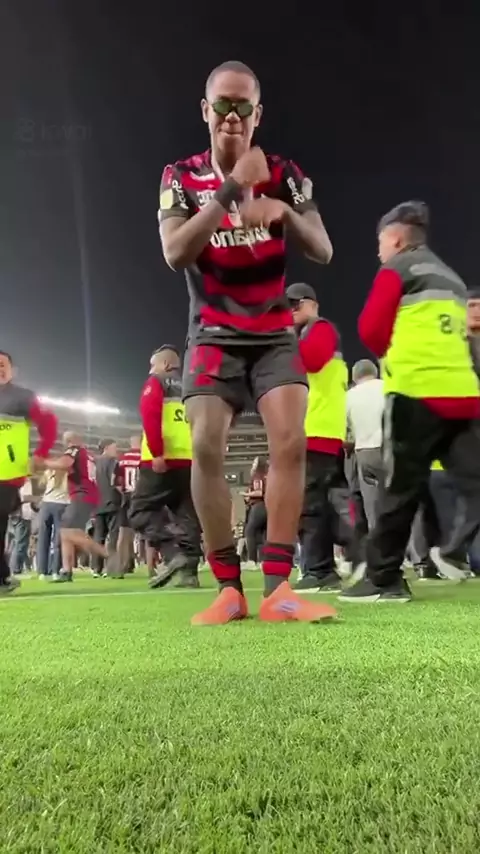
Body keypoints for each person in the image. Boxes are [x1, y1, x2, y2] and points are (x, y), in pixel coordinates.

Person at [158, 60, 336, 625]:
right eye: (222, 105)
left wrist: (282, 210)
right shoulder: (180, 176)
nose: (231, 117)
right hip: (213, 332)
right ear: (205, 110)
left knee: (290, 442)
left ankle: (279, 589)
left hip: (272, 332)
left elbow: (322, 249)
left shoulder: (284, 173)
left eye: (242, 107)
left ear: (258, 114)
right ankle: (228, 589)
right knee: (206, 447)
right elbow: (175, 252)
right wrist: (233, 186)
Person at [341, 200, 480, 603]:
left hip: (416, 395)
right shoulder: (452, 278)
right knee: (475, 483)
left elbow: (371, 330)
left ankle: (383, 579)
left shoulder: (398, 269)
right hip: (464, 396)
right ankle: (452, 549)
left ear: (397, 240)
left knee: (399, 493)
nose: (379, 252)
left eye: (380, 243)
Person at [286, 282, 360, 592]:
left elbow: (312, 360)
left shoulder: (320, 328)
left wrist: (285, 340)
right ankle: (345, 560)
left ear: (311, 304)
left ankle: (319, 569)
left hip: (317, 430)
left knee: (312, 506)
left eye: (295, 304)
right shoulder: (309, 332)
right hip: (320, 431)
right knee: (328, 505)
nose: (289, 311)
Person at [129, 346, 202, 589]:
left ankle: (172, 553)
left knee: (140, 511)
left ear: (165, 365)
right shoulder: (192, 386)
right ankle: (190, 573)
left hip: (162, 460)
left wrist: (157, 452)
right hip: (189, 459)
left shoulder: (157, 382)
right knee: (187, 516)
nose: (151, 370)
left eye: (153, 365)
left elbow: (150, 413)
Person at [0, 351, 57, 593]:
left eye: (2, 364)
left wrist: (41, 452)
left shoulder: (23, 397)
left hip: (6, 474)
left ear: (12, 370)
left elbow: (48, 423)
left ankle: (2, 577)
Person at [41, 431, 111, 582]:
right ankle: (67, 571)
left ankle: (108, 554)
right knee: (65, 532)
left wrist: (44, 462)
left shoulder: (75, 449)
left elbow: (65, 463)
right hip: (87, 494)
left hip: (82, 494)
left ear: (69, 441)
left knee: (70, 532)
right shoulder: (88, 454)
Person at [346, 359, 384, 529]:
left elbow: (345, 432)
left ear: (354, 377)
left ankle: (376, 537)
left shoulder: (349, 396)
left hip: (365, 452)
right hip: (392, 449)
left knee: (371, 503)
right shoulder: (388, 387)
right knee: (400, 500)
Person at [92, 439, 121, 577]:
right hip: (112, 501)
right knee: (113, 537)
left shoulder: (94, 462)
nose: (116, 450)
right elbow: (114, 481)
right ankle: (111, 568)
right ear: (107, 448)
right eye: (114, 448)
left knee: (99, 536)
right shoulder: (113, 462)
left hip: (97, 503)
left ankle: (96, 568)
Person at [36, 468, 69, 578]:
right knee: (58, 539)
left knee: (43, 538)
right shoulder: (68, 473)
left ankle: (41, 570)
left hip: (46, 504)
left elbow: (41, 484)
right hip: (62, 504)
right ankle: (55, 569)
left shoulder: (49, 471)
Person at [116, 435, 142, 574]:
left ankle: (121, 565)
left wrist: (124, 493)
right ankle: (152, 567)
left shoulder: (123, 459)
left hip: (127, 496)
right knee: (147, 531)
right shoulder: (144, 457)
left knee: (124, 532)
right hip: (142, 496)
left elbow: (117, 481)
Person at [242, 456, 268, 567]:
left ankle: (252, 560)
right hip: (266, 506)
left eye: (254, 463)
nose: (252, 465)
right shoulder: (267, 476)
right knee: (262, 534)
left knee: (250, 532)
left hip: (258, 506)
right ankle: (262, 560)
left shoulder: (257, 476)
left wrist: (246, 494)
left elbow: (259, 492)